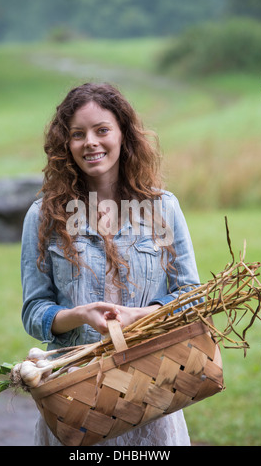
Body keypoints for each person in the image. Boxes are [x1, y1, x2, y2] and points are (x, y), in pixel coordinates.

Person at [21, 82, 200, 446]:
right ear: (65, 144)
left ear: (123, 135)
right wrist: (80, 314)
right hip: (76, 394)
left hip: (150, 390)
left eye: (102, 130)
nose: (90, 142)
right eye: (77, 134)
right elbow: (34, 311)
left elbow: (192, 296)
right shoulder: (43, 216)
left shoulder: (162, 208)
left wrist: (143, 315)